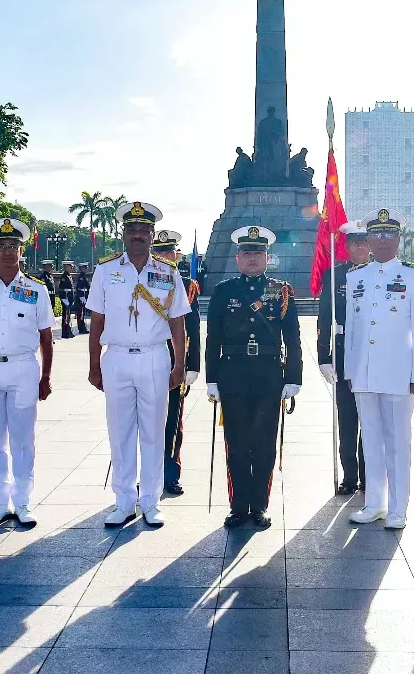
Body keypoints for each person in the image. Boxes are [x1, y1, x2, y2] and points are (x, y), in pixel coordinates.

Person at [86, 201, 189, 528]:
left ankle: (151, 501)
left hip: (154, 358)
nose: (138, 235)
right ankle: (123, 501)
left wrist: (180, 365)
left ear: (152, 234)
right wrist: (94, 364)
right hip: (116, 358)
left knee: (154, 432)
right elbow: (97, 321)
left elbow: (178, 324)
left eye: (144, 230)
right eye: (132, 229)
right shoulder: (106, 270)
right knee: (120, 432)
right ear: (123, 233)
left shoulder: (168, 272)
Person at [205, 226, 301, 529]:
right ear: (237, 258)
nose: (252, 258)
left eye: (258, 253)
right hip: (232, 372)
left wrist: (293, 377)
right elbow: (213, 338)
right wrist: (211, 378)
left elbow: (293, 338)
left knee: (263, 443)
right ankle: (238, 506)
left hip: (268, 373)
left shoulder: (279, 290)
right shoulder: (224, 291)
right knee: (235, 442)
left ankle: (258, 506)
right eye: (247, 252)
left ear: (267, 257)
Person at [344, 208, 414, 529]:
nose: (383, 240)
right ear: (367, 239)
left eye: (389, 234)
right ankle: (374, 503)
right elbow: (353, 328)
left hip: (399, 372)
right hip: (364, 372)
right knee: (370, 439)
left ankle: (398, 508)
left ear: (398, 239)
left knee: (397, 442)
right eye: (377, 234)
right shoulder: (356, 276)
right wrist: (350, 369)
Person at [0, 218, 54, 528]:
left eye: (12, 247)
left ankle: (24, 501)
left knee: (23, 439)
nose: (6, 252)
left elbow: (46, 337)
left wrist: (46, 376)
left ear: (21, 251)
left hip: (23, 368)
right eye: (0, 247)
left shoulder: (36, 290)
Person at [318, 220, 370, 495]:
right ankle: (349, 476)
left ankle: (368, 475)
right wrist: (323, 356)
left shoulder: (380, 274)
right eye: (354, 243)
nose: (360, 247)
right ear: (346, 246)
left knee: (370, 419)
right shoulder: (335, 274)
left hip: (373, 353)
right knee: (347, 419)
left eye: (364, 242)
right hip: (342, 350)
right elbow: (325, 315)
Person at [156, 230, 201, 497]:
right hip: (146, 357)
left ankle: (170, 474)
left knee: (172, 420)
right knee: (146, 422)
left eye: (168, 252)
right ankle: (148, 474)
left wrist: (192, 365)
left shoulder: (186, 284)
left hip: (175, 361)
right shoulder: (140, 281)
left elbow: (192, 326)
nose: (163, 257)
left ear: (177, 255)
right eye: (158, 252)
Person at [57, 261, 77, 339]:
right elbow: (61, 289)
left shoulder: (69, 276)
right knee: (65, 316)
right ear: (66, 267)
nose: (71, 268)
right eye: (70, 267)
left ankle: (68, 331)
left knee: (68, 316)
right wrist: (63, 299)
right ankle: (65, 333)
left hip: (69, 298)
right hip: (66, 298)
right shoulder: (64, 276)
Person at [74, 263, 92, 334]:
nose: (86, 269)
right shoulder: (80, 277)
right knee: (80, 313)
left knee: (83, 313)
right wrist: (81, 296)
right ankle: (81, 328)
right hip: (81, 297)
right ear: (81, 268)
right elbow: (79, 288)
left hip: (84, 296)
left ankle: (83, 327)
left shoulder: (84, 276)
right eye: (85, 268)